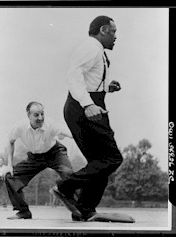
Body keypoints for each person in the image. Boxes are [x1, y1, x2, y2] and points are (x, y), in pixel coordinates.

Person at [50, 15, 123, 222]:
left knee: (99, 162)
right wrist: (88, 104)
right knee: (112, 158)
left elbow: (88, 80)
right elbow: (74, 76)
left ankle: (84, 209)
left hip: (86, 105)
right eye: (113, 31)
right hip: (83, 108)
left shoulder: (97, 51)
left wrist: (107, 87)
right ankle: (65, 187)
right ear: (103, 30)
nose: (116, 37)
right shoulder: (90, 48)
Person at [4, 101, 74, 219]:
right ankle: (23, 211)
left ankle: (79, 210)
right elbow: (10, 142)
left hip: (55, 153)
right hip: (34, 157)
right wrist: (9, 164)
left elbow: (65, 131)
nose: (40, 118)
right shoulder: (19, 126)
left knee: (69, 174)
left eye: (42, 114)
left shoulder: (51, 123)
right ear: (28, 115)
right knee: (10, 176)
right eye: (36, 115)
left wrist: (73, 134)